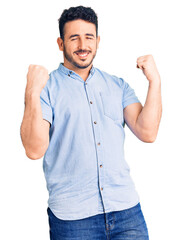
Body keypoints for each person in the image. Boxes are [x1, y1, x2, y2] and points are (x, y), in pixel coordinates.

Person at [20, 5, 162, 240]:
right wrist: (31, 92)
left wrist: (155, 81)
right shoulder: (47, 88)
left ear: (98, 41)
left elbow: (148, 132)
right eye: (74, 38)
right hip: (73, 219)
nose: (83, 45)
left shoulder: (117, 85)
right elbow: (34, 150)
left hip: (126, 211)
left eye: (88, 37)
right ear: (60, 43)